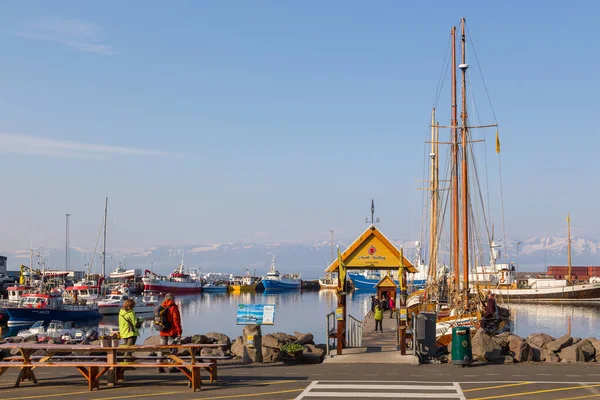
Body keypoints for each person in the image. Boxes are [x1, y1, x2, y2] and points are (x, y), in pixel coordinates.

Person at [157, 293, 182, 373]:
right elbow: (176, 321)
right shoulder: (173, 308)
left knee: (162, 349)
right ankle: (171, 366)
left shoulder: (161, 307)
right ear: (172, 298)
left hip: (163, 331)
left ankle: (159, 365)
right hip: (172, 332)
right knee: (172, 349)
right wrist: (179, 331)